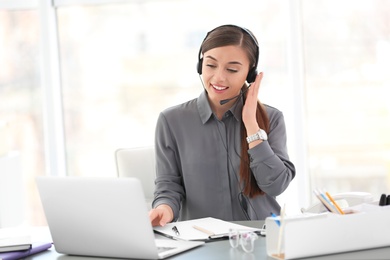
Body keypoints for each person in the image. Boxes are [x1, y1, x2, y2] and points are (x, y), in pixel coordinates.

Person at [149, 24, 295, 227]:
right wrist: (164, 207)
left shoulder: (272, 118)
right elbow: (168, 186)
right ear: (200, 66)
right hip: (202, 242)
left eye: (232, 69)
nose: (218, 77)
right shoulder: (172, 121)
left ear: (250, 74)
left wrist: (252, 126)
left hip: (263, 240)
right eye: (210, 65)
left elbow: (276, 185)